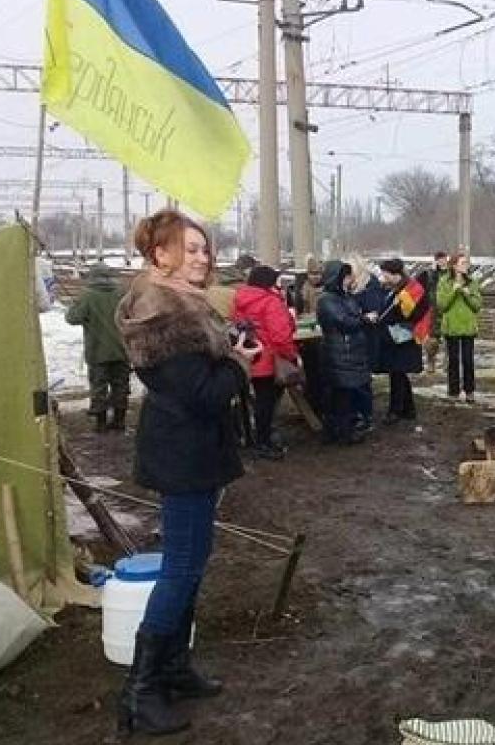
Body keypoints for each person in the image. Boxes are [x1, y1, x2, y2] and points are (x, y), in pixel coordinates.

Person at [114, 210, 261, 736]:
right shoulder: (164, 315)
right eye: (189, 248)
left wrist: (229, 354)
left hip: (191, 450)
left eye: (204, 248)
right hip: (184, 454)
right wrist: (240, 362)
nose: (201, 256)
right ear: (161, 255)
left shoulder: (180, 304)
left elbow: (199, 381)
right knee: (180, 567)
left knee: (193, 561)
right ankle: (140, 689)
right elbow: (202, 394)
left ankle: (173, 667)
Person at [232, 265, 299, 460]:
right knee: (267, 403)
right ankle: (264, 441)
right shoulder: (271, 302)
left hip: (251, 357)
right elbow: (281, 336)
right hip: (270, 360)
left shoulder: (240, 299)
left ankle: (253, 437)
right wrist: (291, 356)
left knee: (257, 401)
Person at [65, 262, 130, 433]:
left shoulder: (87, 296)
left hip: (97, 352)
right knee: (121, 386)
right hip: (122, 350)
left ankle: (101, 425)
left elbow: (72, 318)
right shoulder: (122, 293)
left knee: (98, 387)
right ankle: (119, 422)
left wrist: (75, 306)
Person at [316, 260, 373, 444]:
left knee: (347, 396)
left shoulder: (346, 297)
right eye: (346, 276)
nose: (350, 279)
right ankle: (339, 432)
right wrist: (364, 319)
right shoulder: (326, 299)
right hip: (339, 353)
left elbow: (353, 314)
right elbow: (345, 322)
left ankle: (346, 429)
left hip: (350, 353)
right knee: (339, 396)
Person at [373, 258, 431, 423]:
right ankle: (408, 409)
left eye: (385, 274)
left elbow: (413, 314)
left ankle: (396, 410)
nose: (382, 277)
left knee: (397, 374)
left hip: (401, 337)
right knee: (398, 374)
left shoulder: (409, 291)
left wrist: (400, 306)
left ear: (393, 274)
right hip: (395, 338)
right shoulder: (395, 289)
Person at [435, 252, 482, 402]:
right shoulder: (444, 281)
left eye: (467, 263)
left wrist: (467, 294)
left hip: (468, 327)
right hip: (451, 327)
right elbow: (442, 305)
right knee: (453, 361)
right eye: (462, 263)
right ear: (454, 266)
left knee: (468, 361)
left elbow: (477, 306)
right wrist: (454, 291)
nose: (466, 266)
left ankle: (470, 391)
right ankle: (453, 392)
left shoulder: (472, 282)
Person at [346, 254, 385, 433]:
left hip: (367, 338)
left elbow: (374, 314)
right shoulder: (353, 288)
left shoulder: (371, 288)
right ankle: (357, 413)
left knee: (363, 378)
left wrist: (360, 316)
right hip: (356, 338)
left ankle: (366, 416)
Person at [417, 251, 448, 374]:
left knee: (449, 339)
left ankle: (448, 364)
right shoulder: (428, 274)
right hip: (433, 310)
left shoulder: (450, 274)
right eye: (439, 260)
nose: (442, 262)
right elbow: (420, 288)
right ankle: (431, 361)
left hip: (446, 308)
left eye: (443, 259)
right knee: (432, 340)